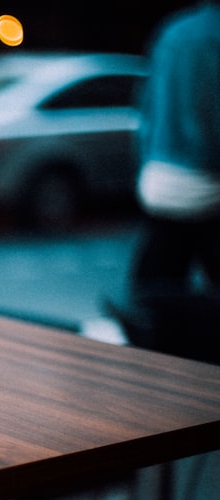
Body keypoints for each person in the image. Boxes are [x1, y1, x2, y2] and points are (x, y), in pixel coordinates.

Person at [110, 1, 220, 363]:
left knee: (154, 287)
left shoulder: (174, 31)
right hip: (207, 181)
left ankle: (148, 347)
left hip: (160, 178)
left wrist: (145, 163)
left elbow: (145, 107)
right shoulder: (210, 36)